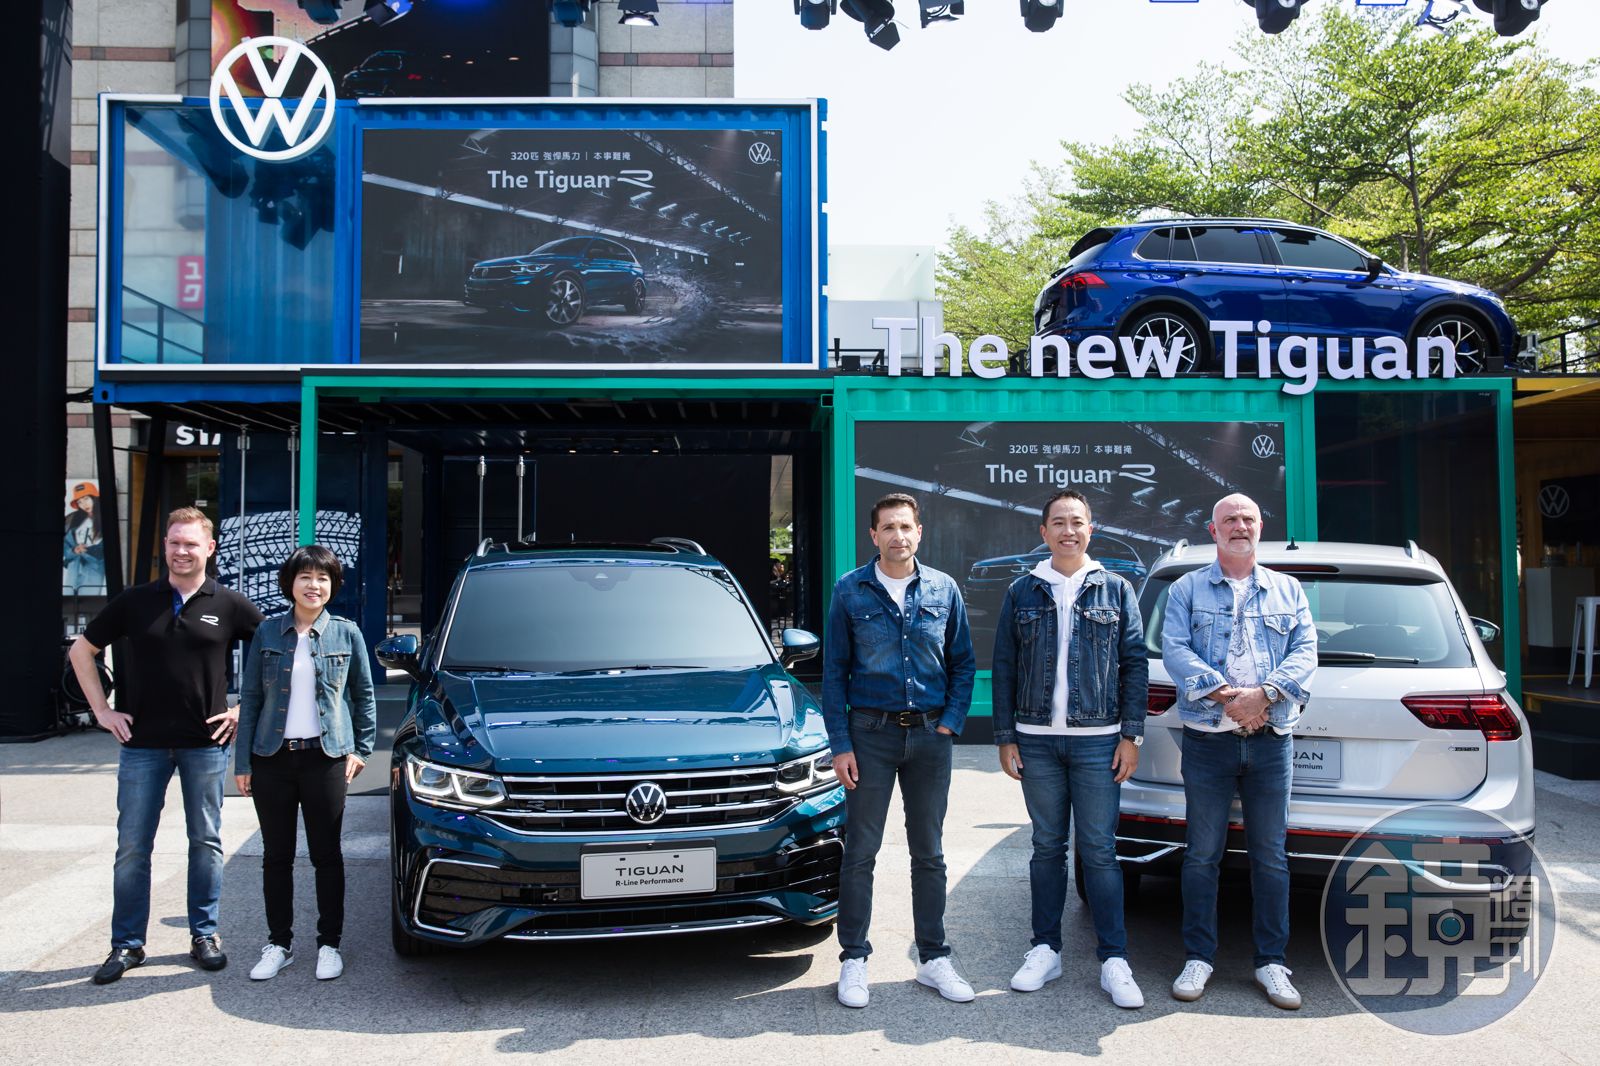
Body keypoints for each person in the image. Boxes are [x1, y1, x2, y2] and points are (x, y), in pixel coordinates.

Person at [68, 507, 263, 984]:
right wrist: (102, 711)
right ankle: (127, 944)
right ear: (165, 546)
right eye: (175, 542)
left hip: (205, 744)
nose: (181, 551)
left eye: (191, 544)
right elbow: (81, 651)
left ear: (209, 548)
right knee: (133, 847)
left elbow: (276, 655)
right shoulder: (137, 601)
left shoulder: (230, 604)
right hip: (143, 745)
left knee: (206, 842)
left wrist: (243, 710)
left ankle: (204, 935)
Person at [990, 490, 1148, 1008]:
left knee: (1099, 850)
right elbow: (1005, 666)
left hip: (1099, 740)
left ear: (1090, 529)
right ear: (1044, 532)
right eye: (1058, 522)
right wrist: (1005, 736)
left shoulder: (1116, 589)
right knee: (1046, 847)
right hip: (1036, 740)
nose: (1068, 531)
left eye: (1077, 522)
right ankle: (1045, 949)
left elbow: (1134, 664)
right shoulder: (1022, 590)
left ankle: (1114, 959)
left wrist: (1131, 735)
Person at [821, 492, 977, 1008]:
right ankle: (854, 959)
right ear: (874, 535)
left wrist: (951, 723)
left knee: (928, 852)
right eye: (888, 527)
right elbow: (834, 673)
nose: (898, 536)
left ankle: (933, 957)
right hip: (870, 735)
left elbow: (962, 662)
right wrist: (841, 744)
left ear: (919, 532)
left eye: (906, 526)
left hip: (930, 737)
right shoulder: (850, 590)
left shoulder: (944, 588)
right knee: (860, 851)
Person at [1161, 493, 1316, 1010]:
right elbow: (1175, 649)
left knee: (1270, 856)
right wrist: (1230, 697)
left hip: (1271, 741)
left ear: (1260, 526)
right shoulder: (1186, 589)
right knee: (1201, 854)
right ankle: (1198, 957)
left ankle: (1272, 962)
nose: (1239, 526)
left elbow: (1306, 651)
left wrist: (1265, 695)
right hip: (1207, 741)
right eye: (1229, 519)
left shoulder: (1288, 590)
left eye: (1248, 518)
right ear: (1213, 530)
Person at [235, 545, 376, 982]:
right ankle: (279, 944)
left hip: (325, 759)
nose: (314, 585)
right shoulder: (268, 632)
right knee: (276, 856)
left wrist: (361, 750)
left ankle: (329, 944)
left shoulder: (347, 634)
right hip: (272, 758)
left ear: (333, 585)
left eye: (323, 578)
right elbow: (251, 699)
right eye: (305, 577)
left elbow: (364, 696)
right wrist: (243, 762)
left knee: (326, 854)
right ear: (290, 584)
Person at [63, 481, 106, 594]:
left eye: (86, 499)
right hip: (74, 568)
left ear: (94, 498)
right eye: (79, 502)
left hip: (94, 569)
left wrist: (90, 551)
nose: (84, 504)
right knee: (68, 599)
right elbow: (65, 545)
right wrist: (74, 550)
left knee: (89, 599)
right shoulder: (72, 519)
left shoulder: (105, 518)